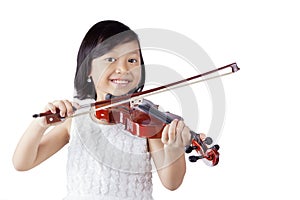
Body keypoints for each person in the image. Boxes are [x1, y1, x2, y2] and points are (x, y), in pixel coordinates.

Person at [13, 20, 191, 200]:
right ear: (88, 68)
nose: (123, 69)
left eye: (132, 60)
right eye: (110, 59)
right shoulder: (76, 119)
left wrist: (174, 149)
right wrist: (40, 125)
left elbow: (172, 183)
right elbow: (23, 163)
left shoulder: (145, 120)